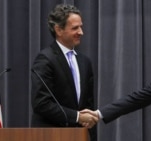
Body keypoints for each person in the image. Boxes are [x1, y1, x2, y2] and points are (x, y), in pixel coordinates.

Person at [31, 4, 98, 141]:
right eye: (75, 28)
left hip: (80, 136)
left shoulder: (85, 62)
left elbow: (88, 106)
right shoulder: (45, 59)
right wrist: (78, 117)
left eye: (81, 26)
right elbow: (42, 104)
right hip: (51, 135)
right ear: (59, 30)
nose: (81, 32)